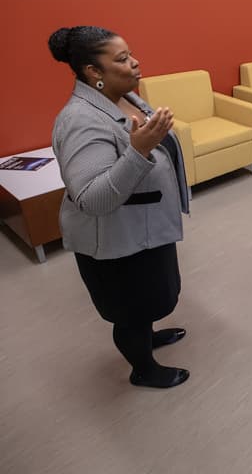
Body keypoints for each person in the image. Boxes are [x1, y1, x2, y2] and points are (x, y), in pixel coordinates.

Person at [49, 26, 191, 389]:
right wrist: (139, 150)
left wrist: (147, 142)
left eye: (131, 54)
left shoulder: (124, 94)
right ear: (93, 72)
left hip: (143, 229)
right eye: (122, 59)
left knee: (154, 296)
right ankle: (143, 369)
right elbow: (92, 198)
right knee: (130, 312)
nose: (135, 62)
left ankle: (148, 333)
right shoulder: (79, 120)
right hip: (116, 243)